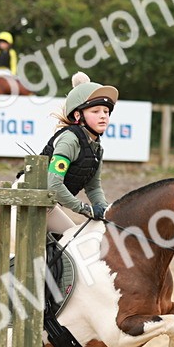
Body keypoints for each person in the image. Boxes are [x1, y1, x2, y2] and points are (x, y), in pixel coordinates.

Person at [40, 73, 117, 234]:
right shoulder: (69, 139)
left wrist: (104, 210)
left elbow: (93, 187)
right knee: (73, 245)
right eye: (96, 111)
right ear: (78, 115)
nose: (103, 115)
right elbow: (53, 184)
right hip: (29, 204)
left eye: (106, 111)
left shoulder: (97, 148)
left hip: (48, 204)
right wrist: (85, 209)